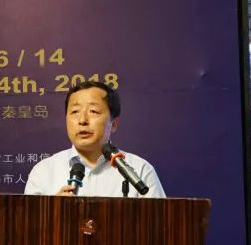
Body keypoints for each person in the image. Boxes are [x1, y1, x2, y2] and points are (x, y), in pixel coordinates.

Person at [24, 81, 165, 197]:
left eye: (93, 111)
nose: (82, 120)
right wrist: (53, 210)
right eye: (75, 111)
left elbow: (157, 221)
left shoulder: (140, 170)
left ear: (114, 124)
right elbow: (29, 223)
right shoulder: (43, 171)